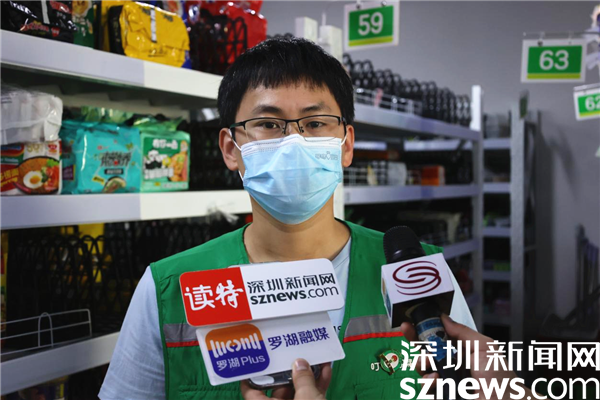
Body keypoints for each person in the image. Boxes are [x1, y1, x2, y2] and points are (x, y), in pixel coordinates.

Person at [99, 37, 473, 400]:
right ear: (230, 149)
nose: (294, 142)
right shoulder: (168, 288)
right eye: (268, 123)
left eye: (315, 123)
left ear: (346, 146)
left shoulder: (421, 275)